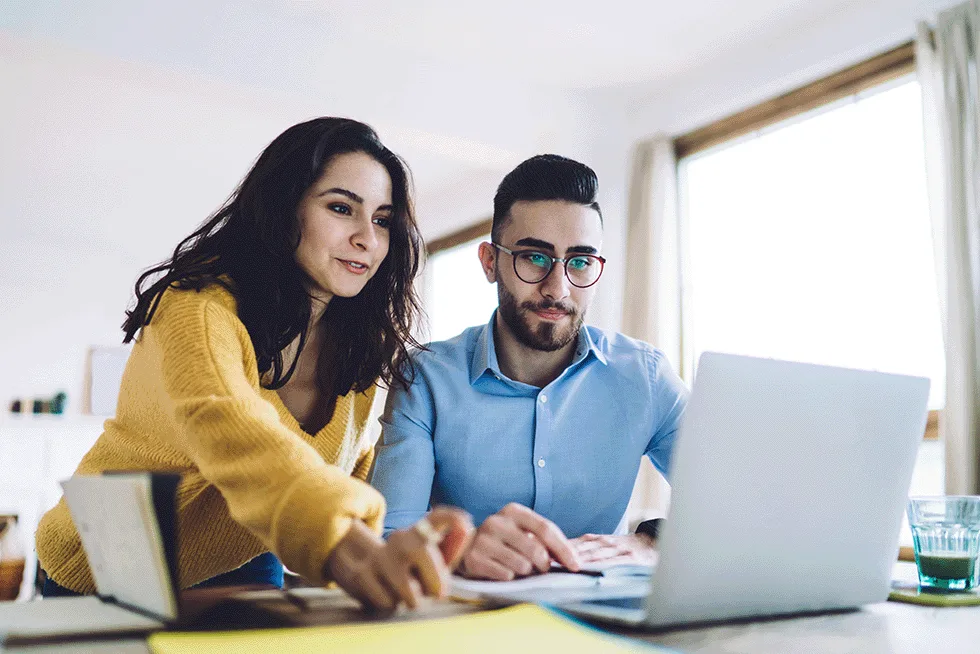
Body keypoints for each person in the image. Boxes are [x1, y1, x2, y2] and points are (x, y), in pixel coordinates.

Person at [35, 117, 473, 611]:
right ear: (284, 210)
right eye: (341, 208)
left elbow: (349, 465)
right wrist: (347, 548)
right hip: (111, 559)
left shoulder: (357, 339)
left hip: (244, 553)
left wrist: (438, 532)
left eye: (382, 219)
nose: (366, 238)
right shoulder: (197, 307)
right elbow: (235, 433)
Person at [371, 154, 687, 581]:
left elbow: (735, 503)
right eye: (535, 258)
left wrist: (652, 541)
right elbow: (388, 537)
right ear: (489, 262)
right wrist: (457, 551)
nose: (557, 289)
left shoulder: (646, 378)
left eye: (579, 262)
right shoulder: (426, 377)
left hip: (603, 625)